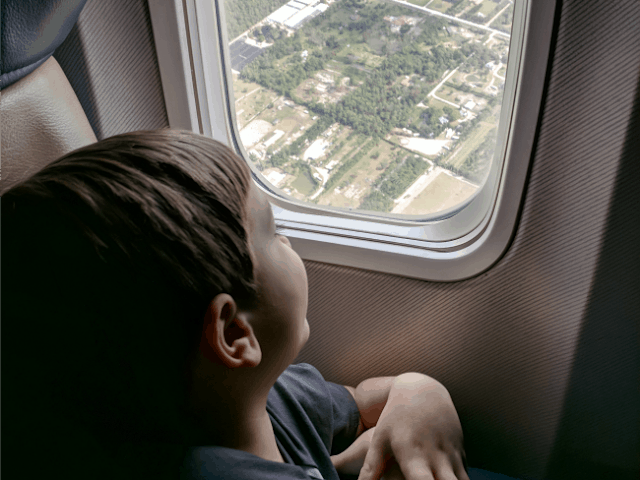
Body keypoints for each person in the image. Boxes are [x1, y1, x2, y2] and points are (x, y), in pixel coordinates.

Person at [0, 129, 469, 480]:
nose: (288, 239)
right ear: (233, 334)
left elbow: (365, 402)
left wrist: (419, 393)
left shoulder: (267, 397)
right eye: (270, 232)